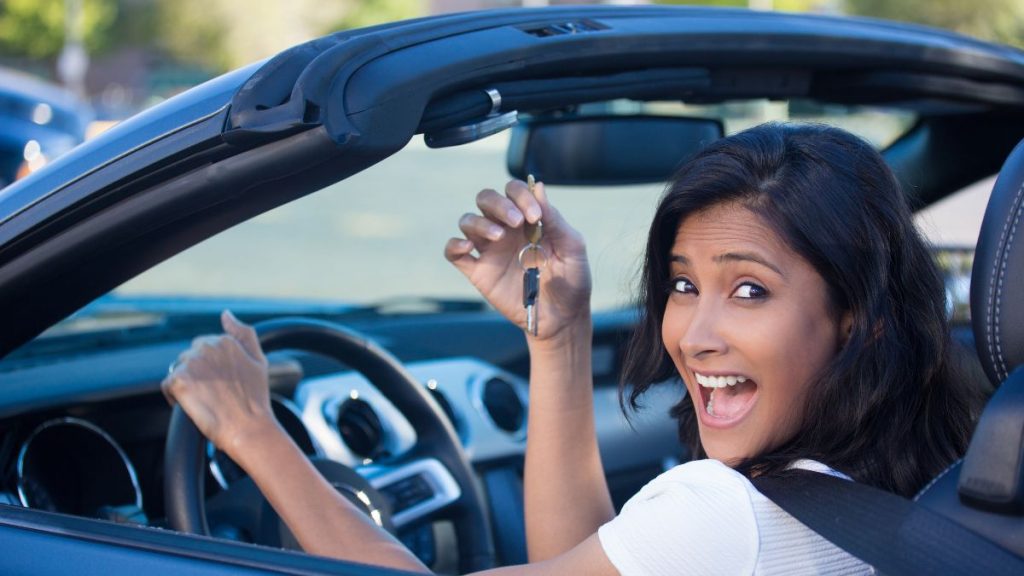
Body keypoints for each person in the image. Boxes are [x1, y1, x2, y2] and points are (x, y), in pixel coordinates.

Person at [163, 123, 983, 575]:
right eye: (684, 284)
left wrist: (252, 433)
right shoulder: (930, 482)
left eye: (748, 290)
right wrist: (557, 337)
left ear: (857, 319)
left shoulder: (726, 515)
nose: (693, 335)